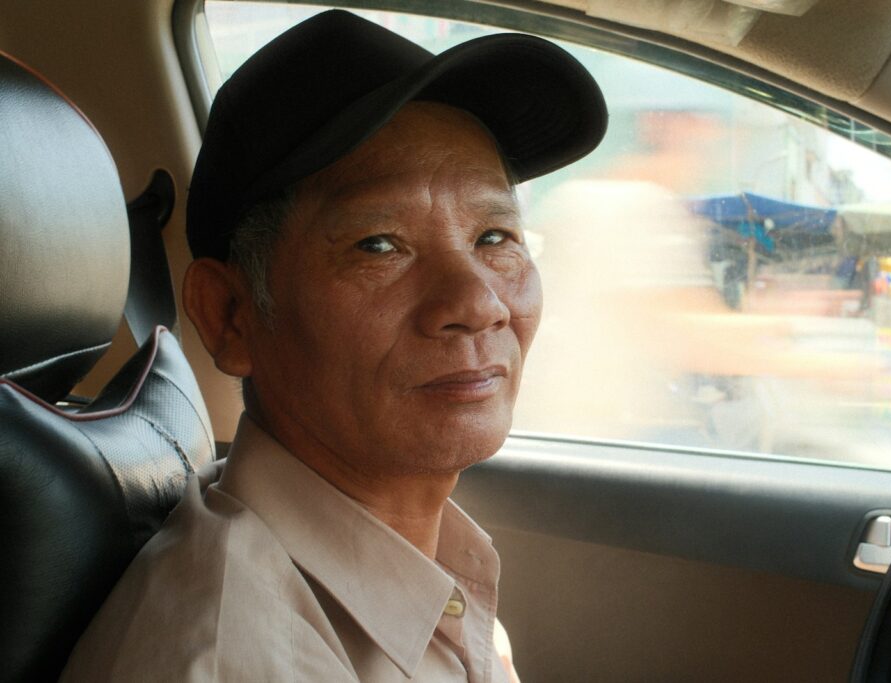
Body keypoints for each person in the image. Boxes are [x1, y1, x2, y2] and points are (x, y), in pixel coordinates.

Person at [60, 10, 606, 682]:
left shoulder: (426, 576)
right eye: (379, 244)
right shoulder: (233, 656)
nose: (478, 302)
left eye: (495, 237)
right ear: (231, 315)